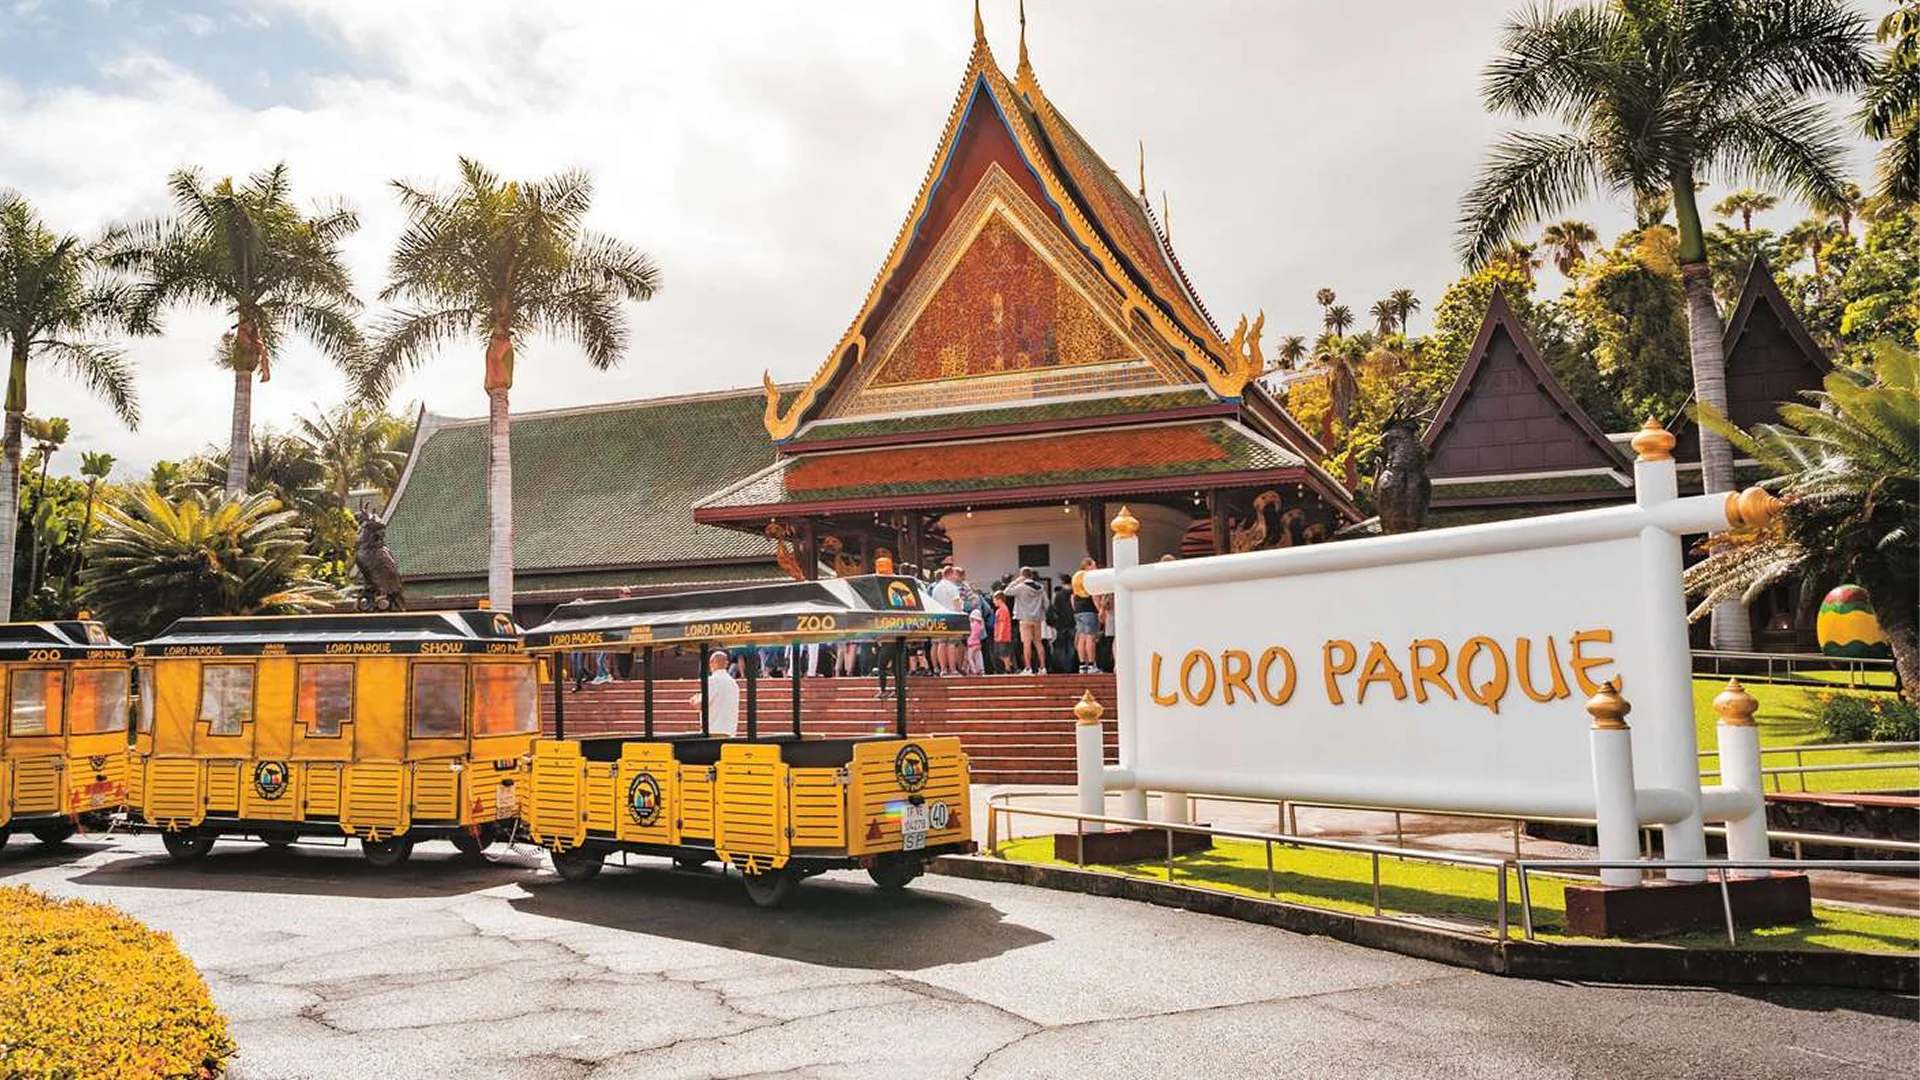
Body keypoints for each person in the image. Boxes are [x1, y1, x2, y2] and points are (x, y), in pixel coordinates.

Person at [1004, 567, 1048, 675]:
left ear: (1022, 575)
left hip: (1024, 618)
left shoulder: (1021, 587)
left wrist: (1016, 581)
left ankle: (1028, 669)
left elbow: (1006, 591)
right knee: (1038, 643)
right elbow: (1046, 604)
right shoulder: (1041, 587)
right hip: (1037, 618)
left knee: (1026, 644)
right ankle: (1043, 667)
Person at [686, 650, 739, 736]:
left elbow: (701, 704)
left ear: (711, 663)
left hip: (713, 731)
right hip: (730, 731)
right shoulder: (734, 683)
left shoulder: (712, 681)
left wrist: (694, 700)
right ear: (726, 664)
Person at [1071, 557, 1106, 674]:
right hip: (1089, 609)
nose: (1095, 568)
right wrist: (1100, 610)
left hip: (1079, 610)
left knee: (1082, 637)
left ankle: (1082, 664)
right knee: (1091, 637)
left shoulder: (1076, 576)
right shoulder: (1089, 577)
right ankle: (1091, 664)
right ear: (1087, 566)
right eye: (1094, 565)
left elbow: (1072, 596)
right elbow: (1094, 595)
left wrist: (1075, 609)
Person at [929, 566, 963, 675]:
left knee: (940, 643)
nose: (956, 577)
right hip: (952, 616)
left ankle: (942, 669)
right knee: (952, 644)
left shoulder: (936, 587)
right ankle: (953, 669)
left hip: (938, 616)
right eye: (954, 574)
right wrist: (960, 613)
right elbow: (957, 603)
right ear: (949, 574)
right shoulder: (952, 587)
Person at [966, 609, 985, 675]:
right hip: (978, 643)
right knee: (977, 658)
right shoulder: (980, 625)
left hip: (971, 644)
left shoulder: (971, 625)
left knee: (970, 658)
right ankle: (978, 669)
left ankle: (974, 670)